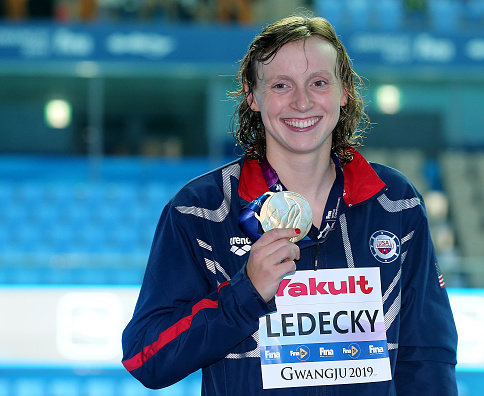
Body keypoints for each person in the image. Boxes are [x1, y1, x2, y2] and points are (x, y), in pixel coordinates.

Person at [121, 15, 458, 395]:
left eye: (318, 83)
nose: (302, 102)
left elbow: (428, 355)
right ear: (252, 94)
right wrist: (245, 294)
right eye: (282, 85)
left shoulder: (394, 202)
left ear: (343, 91)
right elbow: (145, 357)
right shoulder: (200, 211)